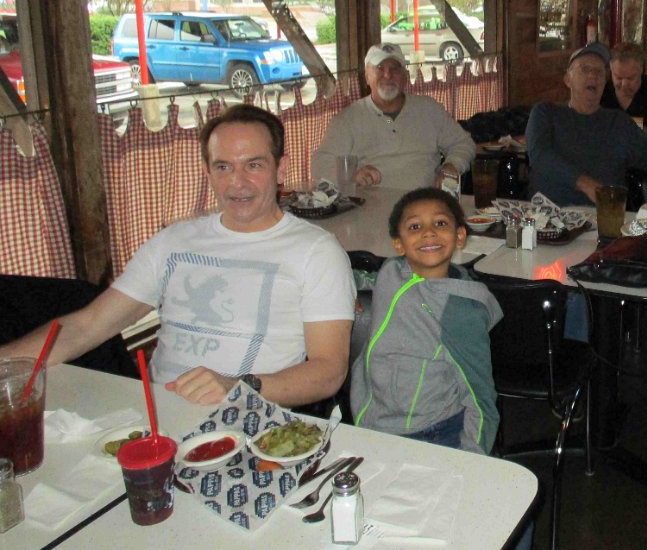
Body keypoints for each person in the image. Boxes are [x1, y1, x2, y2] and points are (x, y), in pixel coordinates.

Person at [0, 104, 356, 407]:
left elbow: (329, 372)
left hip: (250, 420)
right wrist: (6, 366)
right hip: (154, 420)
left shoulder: (317, 252)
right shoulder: (173, 241)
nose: (237, 182)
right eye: (223, 166)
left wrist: (238, 387)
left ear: (281, 169)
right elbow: (87, 326)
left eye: (254, 165)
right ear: (207, 171)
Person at [350, 187, 502, 454]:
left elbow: (481, 398)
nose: (428, 232)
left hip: (428, 433)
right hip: (371, 419)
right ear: (398, 243)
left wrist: (472, 461)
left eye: (440, 223)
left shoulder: (459, 313)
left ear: (460, 236)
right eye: (415, 226)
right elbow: (364, 278)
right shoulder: (392, 270)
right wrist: (342, 286)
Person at [526, 41, 647, 207]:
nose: (593, 75)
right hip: (549, 214)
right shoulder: (546, 113)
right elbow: (540, 155)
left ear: (604, 82)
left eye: (599, 71)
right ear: (568, 79)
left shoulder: (619, 123)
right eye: (585, 69)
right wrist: (587, 184)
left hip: (602, 217)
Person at [311, 43, 475, 190]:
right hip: (370, 209)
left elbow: (463, 143)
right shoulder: (347, 119)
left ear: (405, 76)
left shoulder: (429, 109)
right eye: (379, 68)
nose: (387, 75)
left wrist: (452, 165)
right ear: (367, 77)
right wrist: (353, 175)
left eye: (395, 68)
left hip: (425, 203)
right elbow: (319, 164)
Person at [600, 42, 647, 147]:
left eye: (630, 78)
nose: (624, 84)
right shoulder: (601, 91)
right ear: (611, 71)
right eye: (618, 78)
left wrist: (625, 126)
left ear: (641, 70)